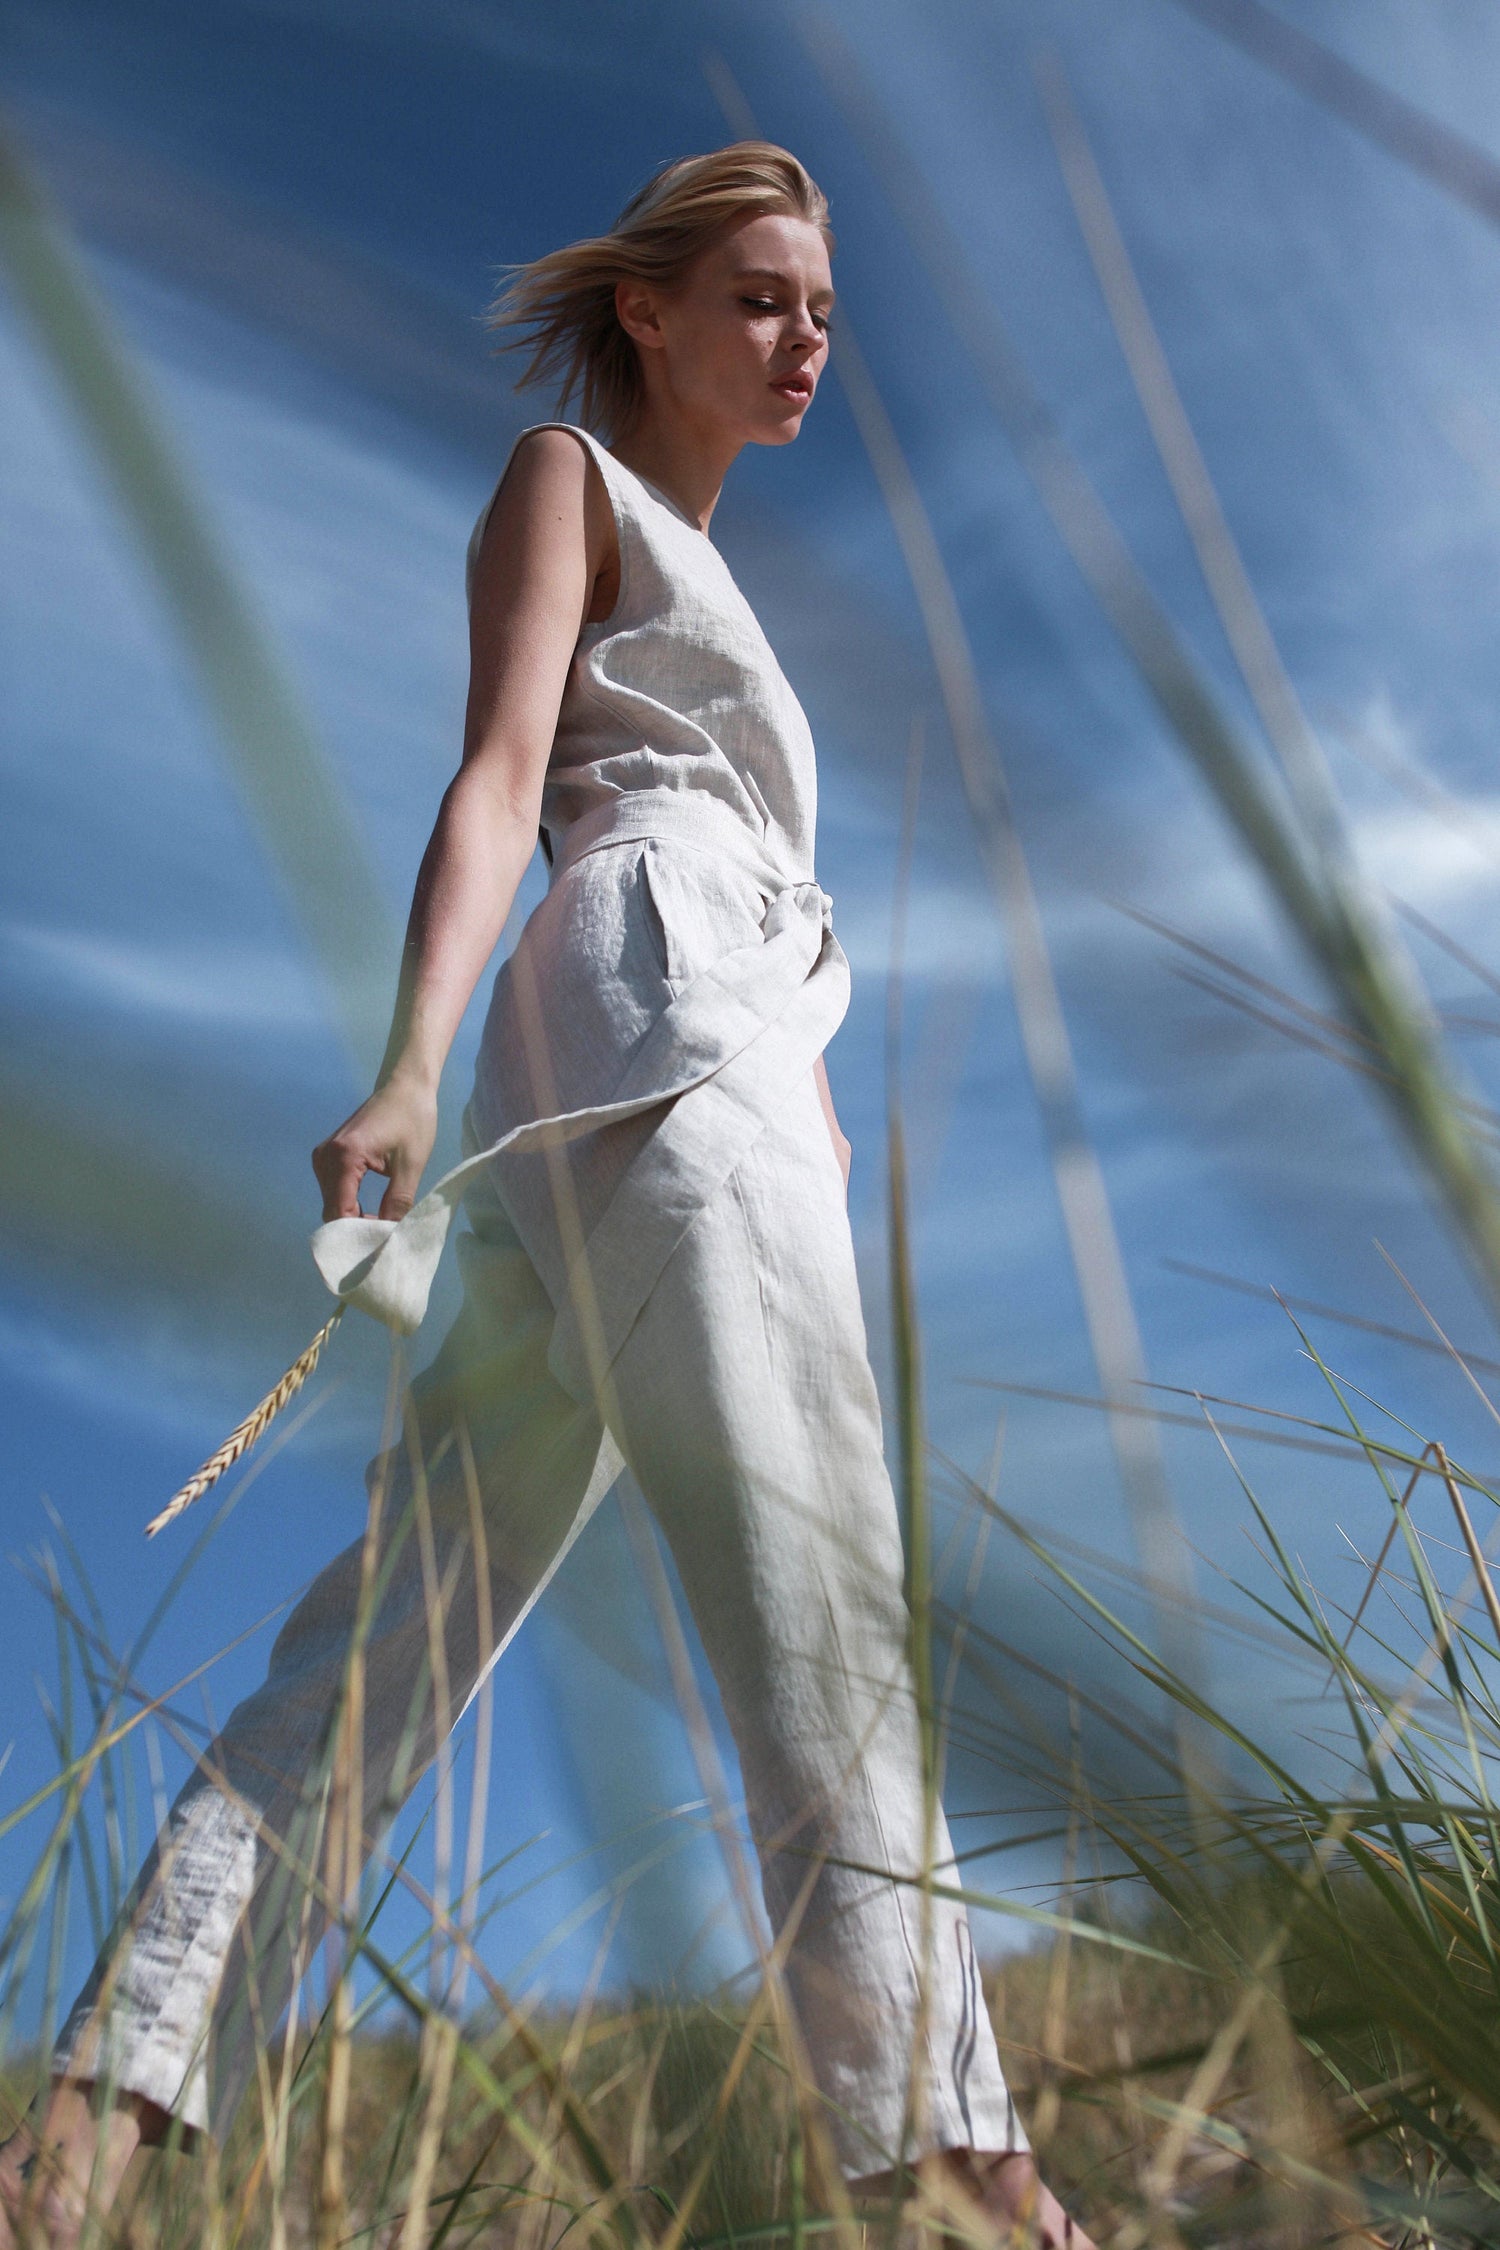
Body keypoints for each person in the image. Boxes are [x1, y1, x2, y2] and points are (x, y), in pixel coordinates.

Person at [0, 144, 1091, 2248]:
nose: (805, 341)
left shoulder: (687, 548)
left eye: (825, 313)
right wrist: (407, 1063)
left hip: (611, 1061)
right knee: (814, 1586)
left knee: (390, 1644)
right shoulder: (573, 483)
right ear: (654, 312)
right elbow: (501, 776)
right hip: (661, 1009)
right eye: (761, 298)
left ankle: (78, 2149)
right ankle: (970, 2179)